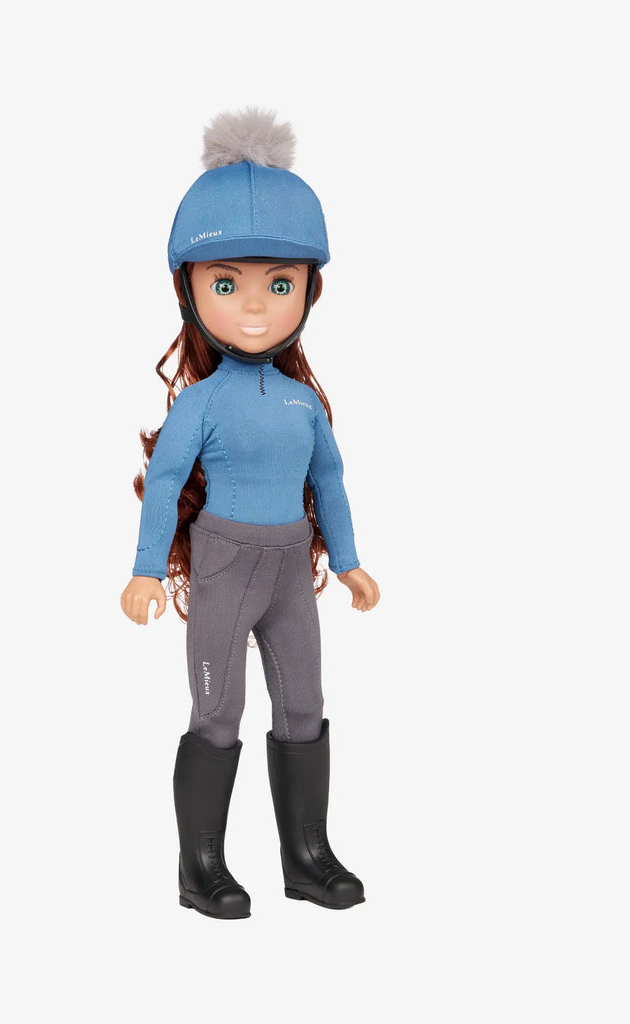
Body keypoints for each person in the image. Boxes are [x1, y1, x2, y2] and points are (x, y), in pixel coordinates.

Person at [120, 109, 380, 919]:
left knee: (304, 705)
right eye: (227, 284)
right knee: (218, 710)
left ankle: (307, 855)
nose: (257, 308)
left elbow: (330, 482)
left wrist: (348, 562)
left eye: (281, 283)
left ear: (308, 288)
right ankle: (200, 867)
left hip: (290, 571)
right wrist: (145, 571)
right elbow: (165, 483)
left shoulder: (305, 403)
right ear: (191, 291)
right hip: (227, 566)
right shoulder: (199, 402)